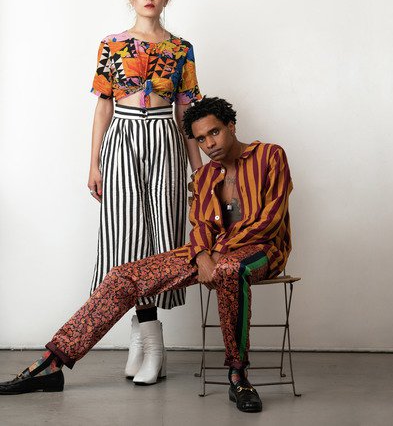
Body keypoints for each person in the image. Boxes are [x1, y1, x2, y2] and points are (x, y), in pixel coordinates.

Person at [0, 97, 293, 413]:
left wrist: (215, 255)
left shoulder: (270, 155)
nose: (209, 144)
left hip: (262, 250)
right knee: (123, 276)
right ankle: (51, 363)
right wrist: (201, 255)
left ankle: (238, 376)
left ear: (231, 126)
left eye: (215, 132)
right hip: (210, 254)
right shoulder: (205, 176)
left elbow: (270, 219)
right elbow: (201, 225)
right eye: (201, 139)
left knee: (229, 270)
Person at [87, 0, 202, 384]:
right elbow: (103, 105)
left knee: (161, 239)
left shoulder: (181, 49)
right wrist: (94, 161)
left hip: (164, 139)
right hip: (123, 138)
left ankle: (147, 340)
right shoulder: (112, 44)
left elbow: (186, 111)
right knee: (126, 237)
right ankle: (147, 338)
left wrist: (198, 170)